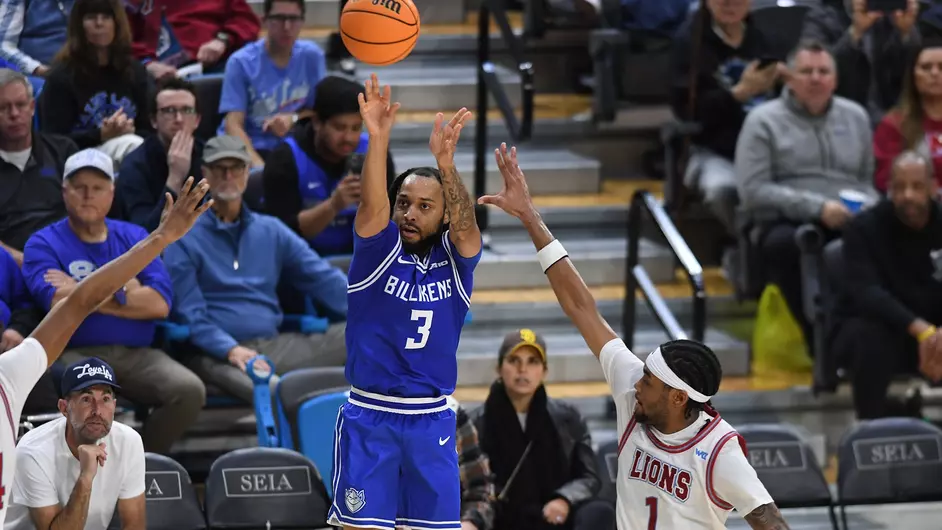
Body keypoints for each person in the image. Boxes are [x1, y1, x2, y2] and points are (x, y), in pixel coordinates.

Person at [479, 143, 789, 530]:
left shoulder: (719, 450)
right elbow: (581, 307)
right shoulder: (633, 392)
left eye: (648, 381)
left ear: (678, 397)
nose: (637, 384)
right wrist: (530, 218)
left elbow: (772, 522)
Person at [0, 173, 211, 523]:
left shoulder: (8, 375)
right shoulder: (13, 383)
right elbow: (75, 301)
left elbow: (81, 300)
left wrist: (161, 238)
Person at [326, 75, 483, 530]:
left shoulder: (456, 262)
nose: (410, 213)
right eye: (404, 203)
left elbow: (468, 230)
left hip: (430, 420)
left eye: (425, 207)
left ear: (443, 215)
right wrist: (377, 138)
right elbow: (373, 208)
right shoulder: (377, 252)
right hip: (371, 416)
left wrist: (446, 165)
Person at [22, 148, 206, 453]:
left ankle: (144, 459)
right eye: (80, 187)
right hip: (72, 353)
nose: (88, 195)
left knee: (188, 390)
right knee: (85, 401)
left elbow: (159, 303)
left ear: (111, 193)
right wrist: (125, 290)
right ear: (64, 192)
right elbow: (56, 301)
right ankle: (86, 468)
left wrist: (81, 291)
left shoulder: (135, 236)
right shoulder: (42, 242)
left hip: (136, 354)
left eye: (97, 188)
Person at [164, 135, 348, 403]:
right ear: (205, 173)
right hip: (215, 353)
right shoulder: (183, 235)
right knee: (272, 389)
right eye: (219, 168)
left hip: (274, 345)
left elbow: (323, 278)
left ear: (248, 172)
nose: (228, 175)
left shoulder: (271, 230)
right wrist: (229, 349)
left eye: (236, 167)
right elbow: (188, 314)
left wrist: (374, 312)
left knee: (369, 333)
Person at [834, 151, 942, 418]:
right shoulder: (863, 228)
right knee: (869, 336)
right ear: (889, 189)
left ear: (932, 187)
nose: (908, 195)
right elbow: (866, 293)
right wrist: (922, 330)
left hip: (933, 333)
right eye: (900, 187)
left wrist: (936, 337)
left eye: (917, 186)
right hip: (884, 328)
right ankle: (871, 426)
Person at [471, 329, 614, 530]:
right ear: (499, 368)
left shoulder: (568, 418)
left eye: (533, 361)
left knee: (600, 511)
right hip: (501, 519)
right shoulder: (476, 423)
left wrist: (564, 499)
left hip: (554, 516)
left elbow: (588, 477)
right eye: (514, 360)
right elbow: (470, 485)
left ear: (544, 371)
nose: (523, 370)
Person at [3, 358, 145, 530]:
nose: (98, 410)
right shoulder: (33, 452)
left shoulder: (129, 441)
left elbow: (134, 524)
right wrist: (86, 477)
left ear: (114, 405)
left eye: (106, 399)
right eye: (86, 399)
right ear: (64, 408)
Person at [262, 75, 397, 256]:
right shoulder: (285, 158)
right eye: (339, 128)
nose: (348, 138)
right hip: (302, 261)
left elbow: (389, 223)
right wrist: (334, 205)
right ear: (317, 122)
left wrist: (373, 203)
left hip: (362, 258)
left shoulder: (375, 151)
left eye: (356, 128)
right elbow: (283, 235)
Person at [38, 0, 153, 164]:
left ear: (117, 23)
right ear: (79, 25)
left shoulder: (134, 71)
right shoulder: (61, 76)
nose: (99, 23)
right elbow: (53, 141)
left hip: (130, 149)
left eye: (106, 17)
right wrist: (101, 135)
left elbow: (150, 129)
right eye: (91, 17)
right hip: (79, 158)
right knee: (132, 146)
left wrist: (129, 130)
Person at [217, 0, 325, 167]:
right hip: (251, 147)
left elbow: (319, 111)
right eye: (279, 18)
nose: (287, 27)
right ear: (265, 20)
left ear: (302, 21)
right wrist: (259, 168)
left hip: (293, 148)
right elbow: (233, 124)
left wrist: (293, 118)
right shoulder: (241, 62)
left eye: (293, 19)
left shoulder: (312, 56)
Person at [116, 77, 204, 231]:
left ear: (197, 120)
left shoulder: (209, 157)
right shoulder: (134, 166)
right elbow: (144, 234)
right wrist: (175, 178)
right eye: (169, 111)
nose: (179, 119)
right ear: (153, 120)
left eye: (187, 110)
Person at [873, 40, 942, 191]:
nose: (935, 73)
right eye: (926, 67)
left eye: (941, 67)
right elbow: (885, 180)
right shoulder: (894, 124)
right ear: (913, 75)